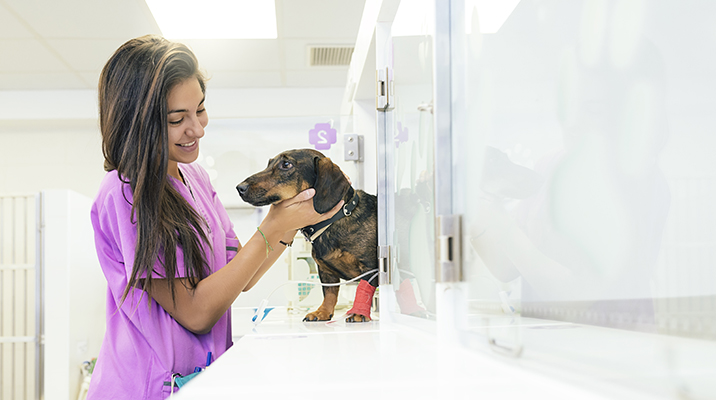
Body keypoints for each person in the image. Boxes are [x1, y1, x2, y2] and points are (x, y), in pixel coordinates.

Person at [86, 35, 343, 399]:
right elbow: (195, 312)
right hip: (148, 388)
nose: (198, 128)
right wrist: (272, 227)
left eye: (200, 109)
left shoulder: (194, 177)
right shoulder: (125, 192)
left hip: (199, 380)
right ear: (136, 123)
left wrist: (290, 221)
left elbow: (241, 273)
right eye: (178, 119)